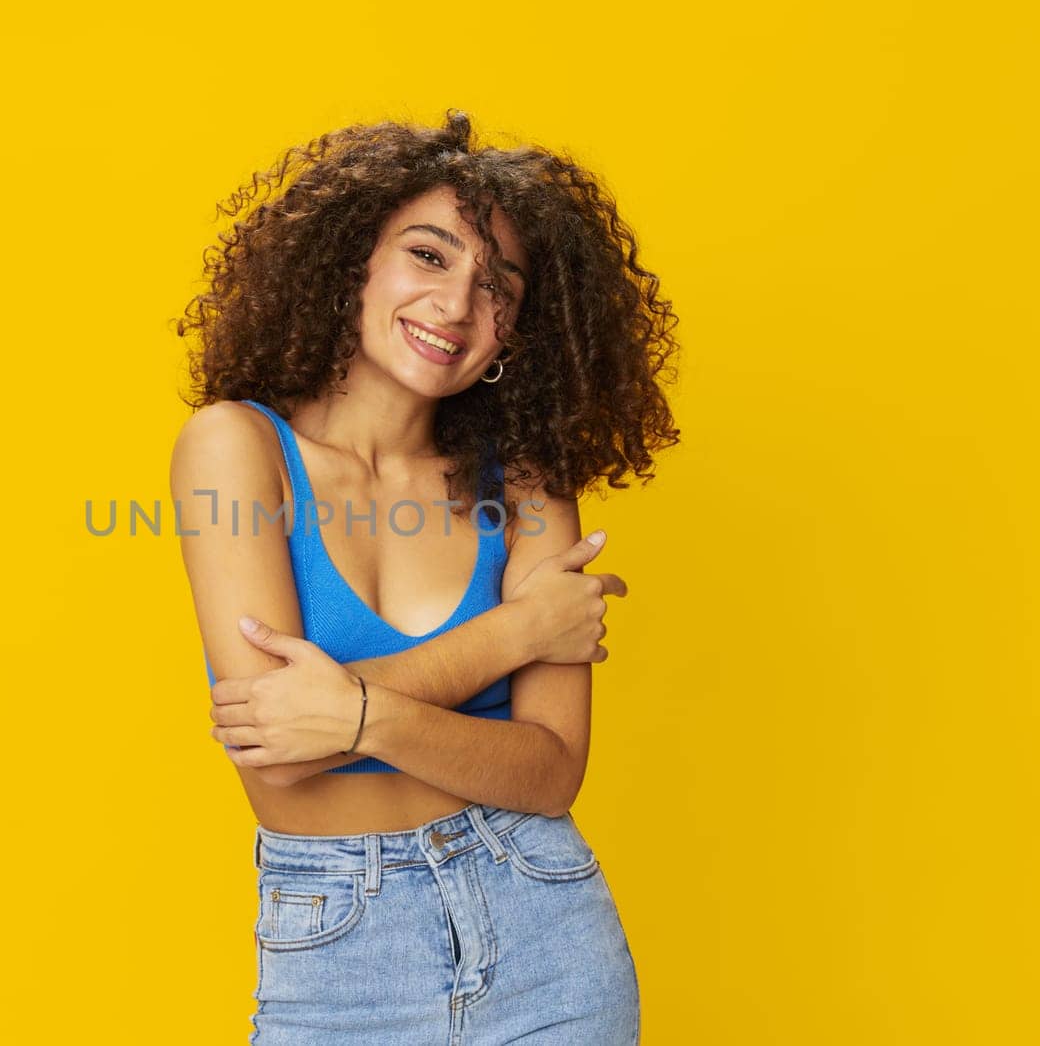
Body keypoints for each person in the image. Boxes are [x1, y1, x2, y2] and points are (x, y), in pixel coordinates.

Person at [170, 109, 681, 1044]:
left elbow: (552, 772)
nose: (455, 309)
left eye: (500, 289)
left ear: (518, 331)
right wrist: (518, 633)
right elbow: (280, 752)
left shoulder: (525, 480)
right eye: (430, 256)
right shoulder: (236, 450)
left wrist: (353, 716)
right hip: (340, 947)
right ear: (353, 260)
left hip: (544, 924)